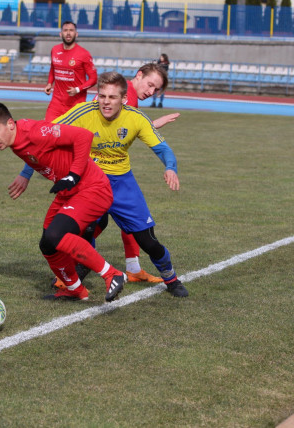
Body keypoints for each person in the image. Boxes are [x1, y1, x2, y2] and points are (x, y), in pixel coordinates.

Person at [11, 72, 189, 298]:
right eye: (102, 96)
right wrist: (25, 173)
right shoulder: (83, 112)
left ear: (124, 99)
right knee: (77, 230)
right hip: (89, 183)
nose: (106, 101)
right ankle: (76, 277)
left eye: (112, 97)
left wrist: (170, 167)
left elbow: (163, 149)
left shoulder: (136, 118)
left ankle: (171, 279)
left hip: (122, 184)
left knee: (148, 241)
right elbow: (43, 140)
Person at [0, 102, 127, 302]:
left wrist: (73, 175)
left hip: (92, 188)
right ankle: (75, 289)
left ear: (10, 124)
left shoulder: (35, 131)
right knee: (47, 245)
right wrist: (25, 174)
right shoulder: (15, 140)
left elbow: (84, 136)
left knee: (57, 235)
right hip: (68, 192)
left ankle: (112, 274)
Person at [86, 62, 180, 284]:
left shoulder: (130, 99)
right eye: (150, 85)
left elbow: (130, 128)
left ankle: (133, 268)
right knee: (89, 227)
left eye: (156, 90)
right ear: (139, 75)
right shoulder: (122, 94)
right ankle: (76, 267)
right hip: (95, 176)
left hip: (113, 174)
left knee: (125, 223)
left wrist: (154, 125)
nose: (151, 92)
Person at [44, 20, 97, 122]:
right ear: (61, 34)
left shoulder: (84, 54)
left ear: (76, 34)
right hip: (57, 102)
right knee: (48, 131)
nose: (68, 33)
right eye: (65, 30)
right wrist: (49, 83)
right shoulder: (54, 50)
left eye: (71, 30)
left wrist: (78, 89)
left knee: (71, 136)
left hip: (76, 104)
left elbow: (94, 79)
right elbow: (53, 68)